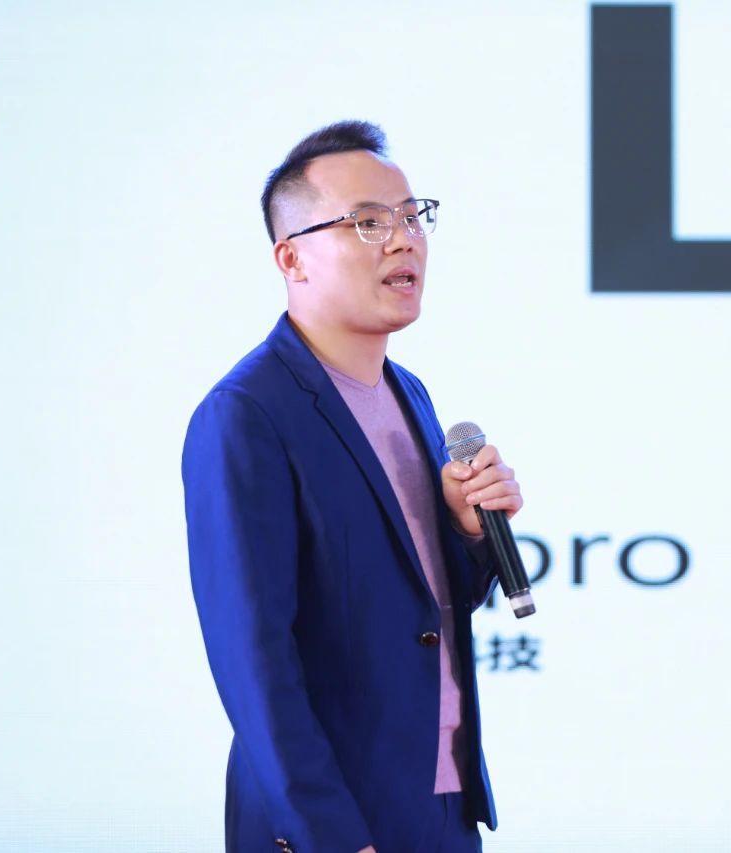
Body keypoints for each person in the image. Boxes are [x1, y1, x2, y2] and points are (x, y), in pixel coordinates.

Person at [182, 120, 520, 852]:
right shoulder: (247, 413)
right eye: (368, 222)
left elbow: (421, 607)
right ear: (292, 257)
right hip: (334, 821)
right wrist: (331, 835)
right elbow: (253, 661)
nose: (403, 240)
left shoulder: (410, 393)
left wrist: (467, 534)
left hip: (441, 802)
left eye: (412, 216)